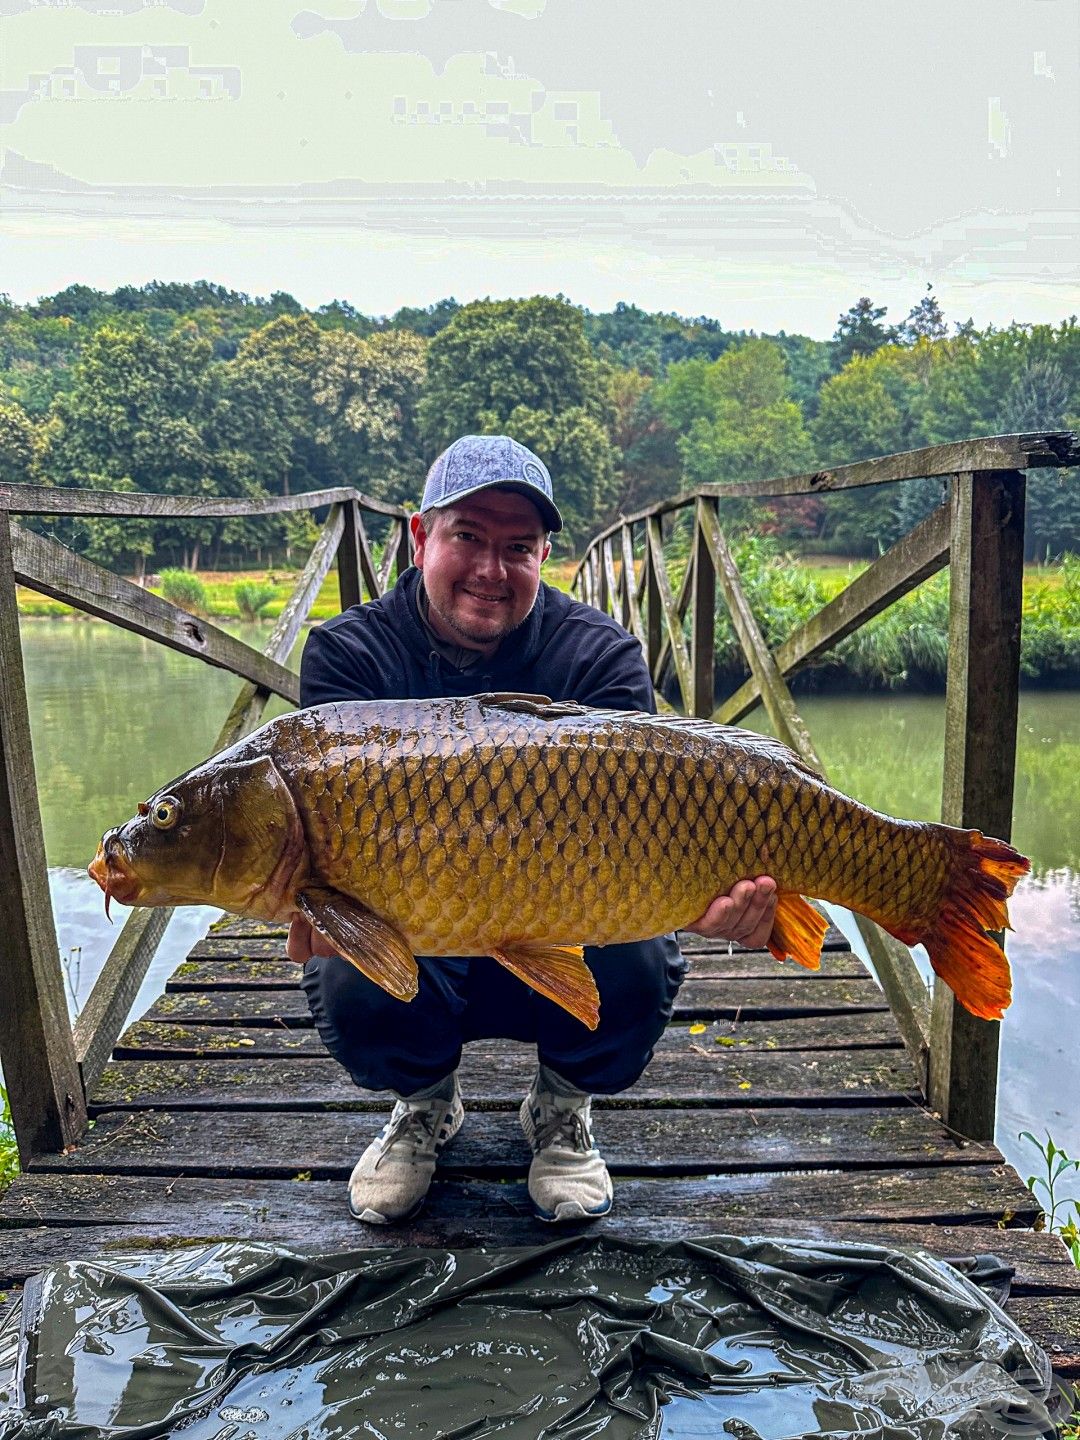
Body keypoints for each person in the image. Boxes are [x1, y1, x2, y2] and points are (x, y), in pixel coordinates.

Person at [289, 434, 778, 1225]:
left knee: (642, 954)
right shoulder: (351, 655)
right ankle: (424, 1102)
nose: (491, 568)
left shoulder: (601, 659)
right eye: (468, 537)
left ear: (546, 554)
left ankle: (561, 1104)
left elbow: (658, 839)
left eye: (518, 547)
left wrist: (710, 900)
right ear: (420, 536)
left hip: (565, 930)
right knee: (348, 971)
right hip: (423, 941)